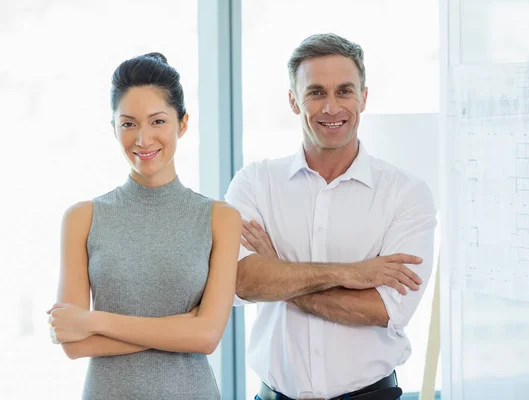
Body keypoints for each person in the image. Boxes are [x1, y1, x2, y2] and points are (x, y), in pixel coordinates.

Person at [225, 33, 437, 400]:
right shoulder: (255, 183)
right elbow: (242, 281)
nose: (331, 107)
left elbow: (382, 308)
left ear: (364, 97)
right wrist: (351, 273)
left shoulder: (406, 194)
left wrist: (277, 269)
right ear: (294, 101)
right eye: (316, 92)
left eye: (344, 91)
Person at [46, 52, 241, 400]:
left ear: (182, 123)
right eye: (128, 123)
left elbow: (207, 337)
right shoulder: (83, 218)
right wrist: (181, 328)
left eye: (157, 121)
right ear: (114, 128)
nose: (143, 139)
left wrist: (93, 321)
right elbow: (73, 344)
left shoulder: (220, 218)